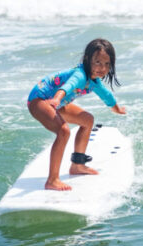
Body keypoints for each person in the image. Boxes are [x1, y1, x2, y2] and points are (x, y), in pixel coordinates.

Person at [27, 38, 126, 191]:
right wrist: (56, 99)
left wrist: (117, 109)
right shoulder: (80, 75)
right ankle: (52, 180)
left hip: (57, 103)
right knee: (63, 131)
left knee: (87, 120)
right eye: (98, 62)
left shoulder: (94, 81)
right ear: (87, 59)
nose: (102, 68)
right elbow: (68, 86)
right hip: (40, 99)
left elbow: (107, 96)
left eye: (107, 64)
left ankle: (77, 165)